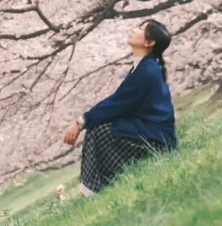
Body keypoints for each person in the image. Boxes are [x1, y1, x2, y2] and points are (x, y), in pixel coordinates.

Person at [63, 19, 177, 196]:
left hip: (157, 139)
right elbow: (118, 102)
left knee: (101, 131)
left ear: (149, 42)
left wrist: (80, 122)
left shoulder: (147, 71)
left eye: (140, 29)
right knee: (99, 128)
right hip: (149, 130)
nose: (134, 29)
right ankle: (98, 185)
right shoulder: (143, 66)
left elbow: (117, 103)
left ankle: (96, 187)